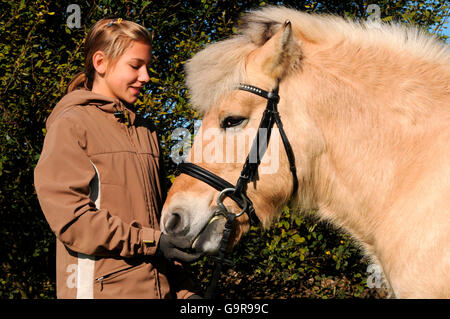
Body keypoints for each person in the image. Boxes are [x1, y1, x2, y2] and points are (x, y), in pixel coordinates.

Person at [34, 18, 202, 299]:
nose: (146, 76)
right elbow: (73, 222)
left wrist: (185, 291)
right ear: (100, 63)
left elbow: (162, 229)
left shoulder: (145, 131)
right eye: (135, 66)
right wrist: (151, 242)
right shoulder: (72, 125)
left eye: (147, 66)